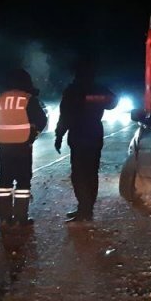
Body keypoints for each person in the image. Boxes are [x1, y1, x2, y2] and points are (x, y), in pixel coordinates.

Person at [54, 59, 117, 223]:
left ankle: (84, 210)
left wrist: (59, 135)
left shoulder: (73, 90)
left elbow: (65, 116)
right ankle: (86, 209)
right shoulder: (98, 89)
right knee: (91, 173)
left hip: (78, 134)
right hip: (94, 133)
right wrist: (94, 98)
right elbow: (112, 102)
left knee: (79, 174)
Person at [0, 68, 48, 229]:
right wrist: (32, 135)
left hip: (4, 147)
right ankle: (21, 218)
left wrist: (6, 126)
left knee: (4, 181)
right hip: (23, 146)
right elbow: (41, 120)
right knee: (23, 182)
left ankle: (5, 218)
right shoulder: (27, 99)